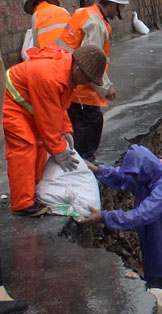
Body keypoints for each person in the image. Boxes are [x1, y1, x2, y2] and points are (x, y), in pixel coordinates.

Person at [3, 45, 107, 216]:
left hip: (28, 104)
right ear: (78, 68)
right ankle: (22, 204)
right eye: (87, 78)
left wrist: (66, 129)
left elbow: (57, 107)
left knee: (41, 145)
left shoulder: (66, 74)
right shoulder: (50, 78)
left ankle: (33, 191)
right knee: (24, 148)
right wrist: (59, 149)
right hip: (13, 104)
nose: (86, 83)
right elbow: (47, 119)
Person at [81, 144, 162, 292]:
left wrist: (105, 217)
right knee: (156, 297)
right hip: (157, 250)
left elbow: (143, 214)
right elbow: (122, 178)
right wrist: (98, 170)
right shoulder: (146, 178)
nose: (133, 178)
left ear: (145, 169)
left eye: (135, 175)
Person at [56, 0, 129, 163]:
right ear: (112, 5)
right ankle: (85, 166)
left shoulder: (84, 13)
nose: (121, 12)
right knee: (90, 127)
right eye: (120, 7)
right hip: (82, 90)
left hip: (70, 83)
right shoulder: (96, 24)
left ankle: (77, 164)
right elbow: (90, 62)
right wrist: (106, 88)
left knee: (75, 128)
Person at [0, 50, 29, 314]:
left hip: (13, 107)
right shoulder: (53, 75)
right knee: (26, 149)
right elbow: (48, 113)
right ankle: (22, 202)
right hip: (15, 111)